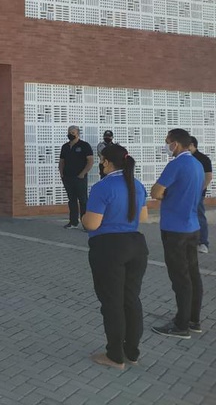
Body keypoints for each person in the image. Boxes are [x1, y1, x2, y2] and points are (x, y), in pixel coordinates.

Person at [82, 144, 149, 370]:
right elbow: (143, 217)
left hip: (109, 248)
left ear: (107, 162)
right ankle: (132, 352)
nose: (101, 164)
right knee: (131, 300)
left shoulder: (103, 187)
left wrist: (83, 218)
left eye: (102, 160)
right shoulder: (137, 185)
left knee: (112, 303)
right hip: (136, 245)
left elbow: (92, 223)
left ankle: (114, 355)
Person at [150, 128, 204, 339]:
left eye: (167, 142)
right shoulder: (197, 164)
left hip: (175, 229)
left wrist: (166, 195)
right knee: (193, 274)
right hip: (192, 226)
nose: (166, 146)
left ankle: (181, 325)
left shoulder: (176, 164)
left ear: (176, 144)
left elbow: (156, 192)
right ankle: (193, 320)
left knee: (180, 277)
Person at [59, 125, 94, 229]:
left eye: (73, 133)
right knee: (72, 200)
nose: (70, 134)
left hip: (80, 178)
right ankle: (73, 222)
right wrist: (61, 173)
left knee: (83, 201)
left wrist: (83, 173)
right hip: (67, 177)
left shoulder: (84, 145)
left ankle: (86, 224)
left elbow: (90, 161)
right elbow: (62, 161)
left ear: (78, 133)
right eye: (69, 132)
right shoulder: (65, 147)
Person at [189, 136, 212, 254]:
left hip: (198, 194)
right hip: (186, 193)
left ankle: (203, 243)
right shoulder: (185, 159)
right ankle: (191, 241)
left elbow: (208, 177)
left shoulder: (203, 159)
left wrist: (199, 190)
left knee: (199, 216)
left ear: (192, 145)